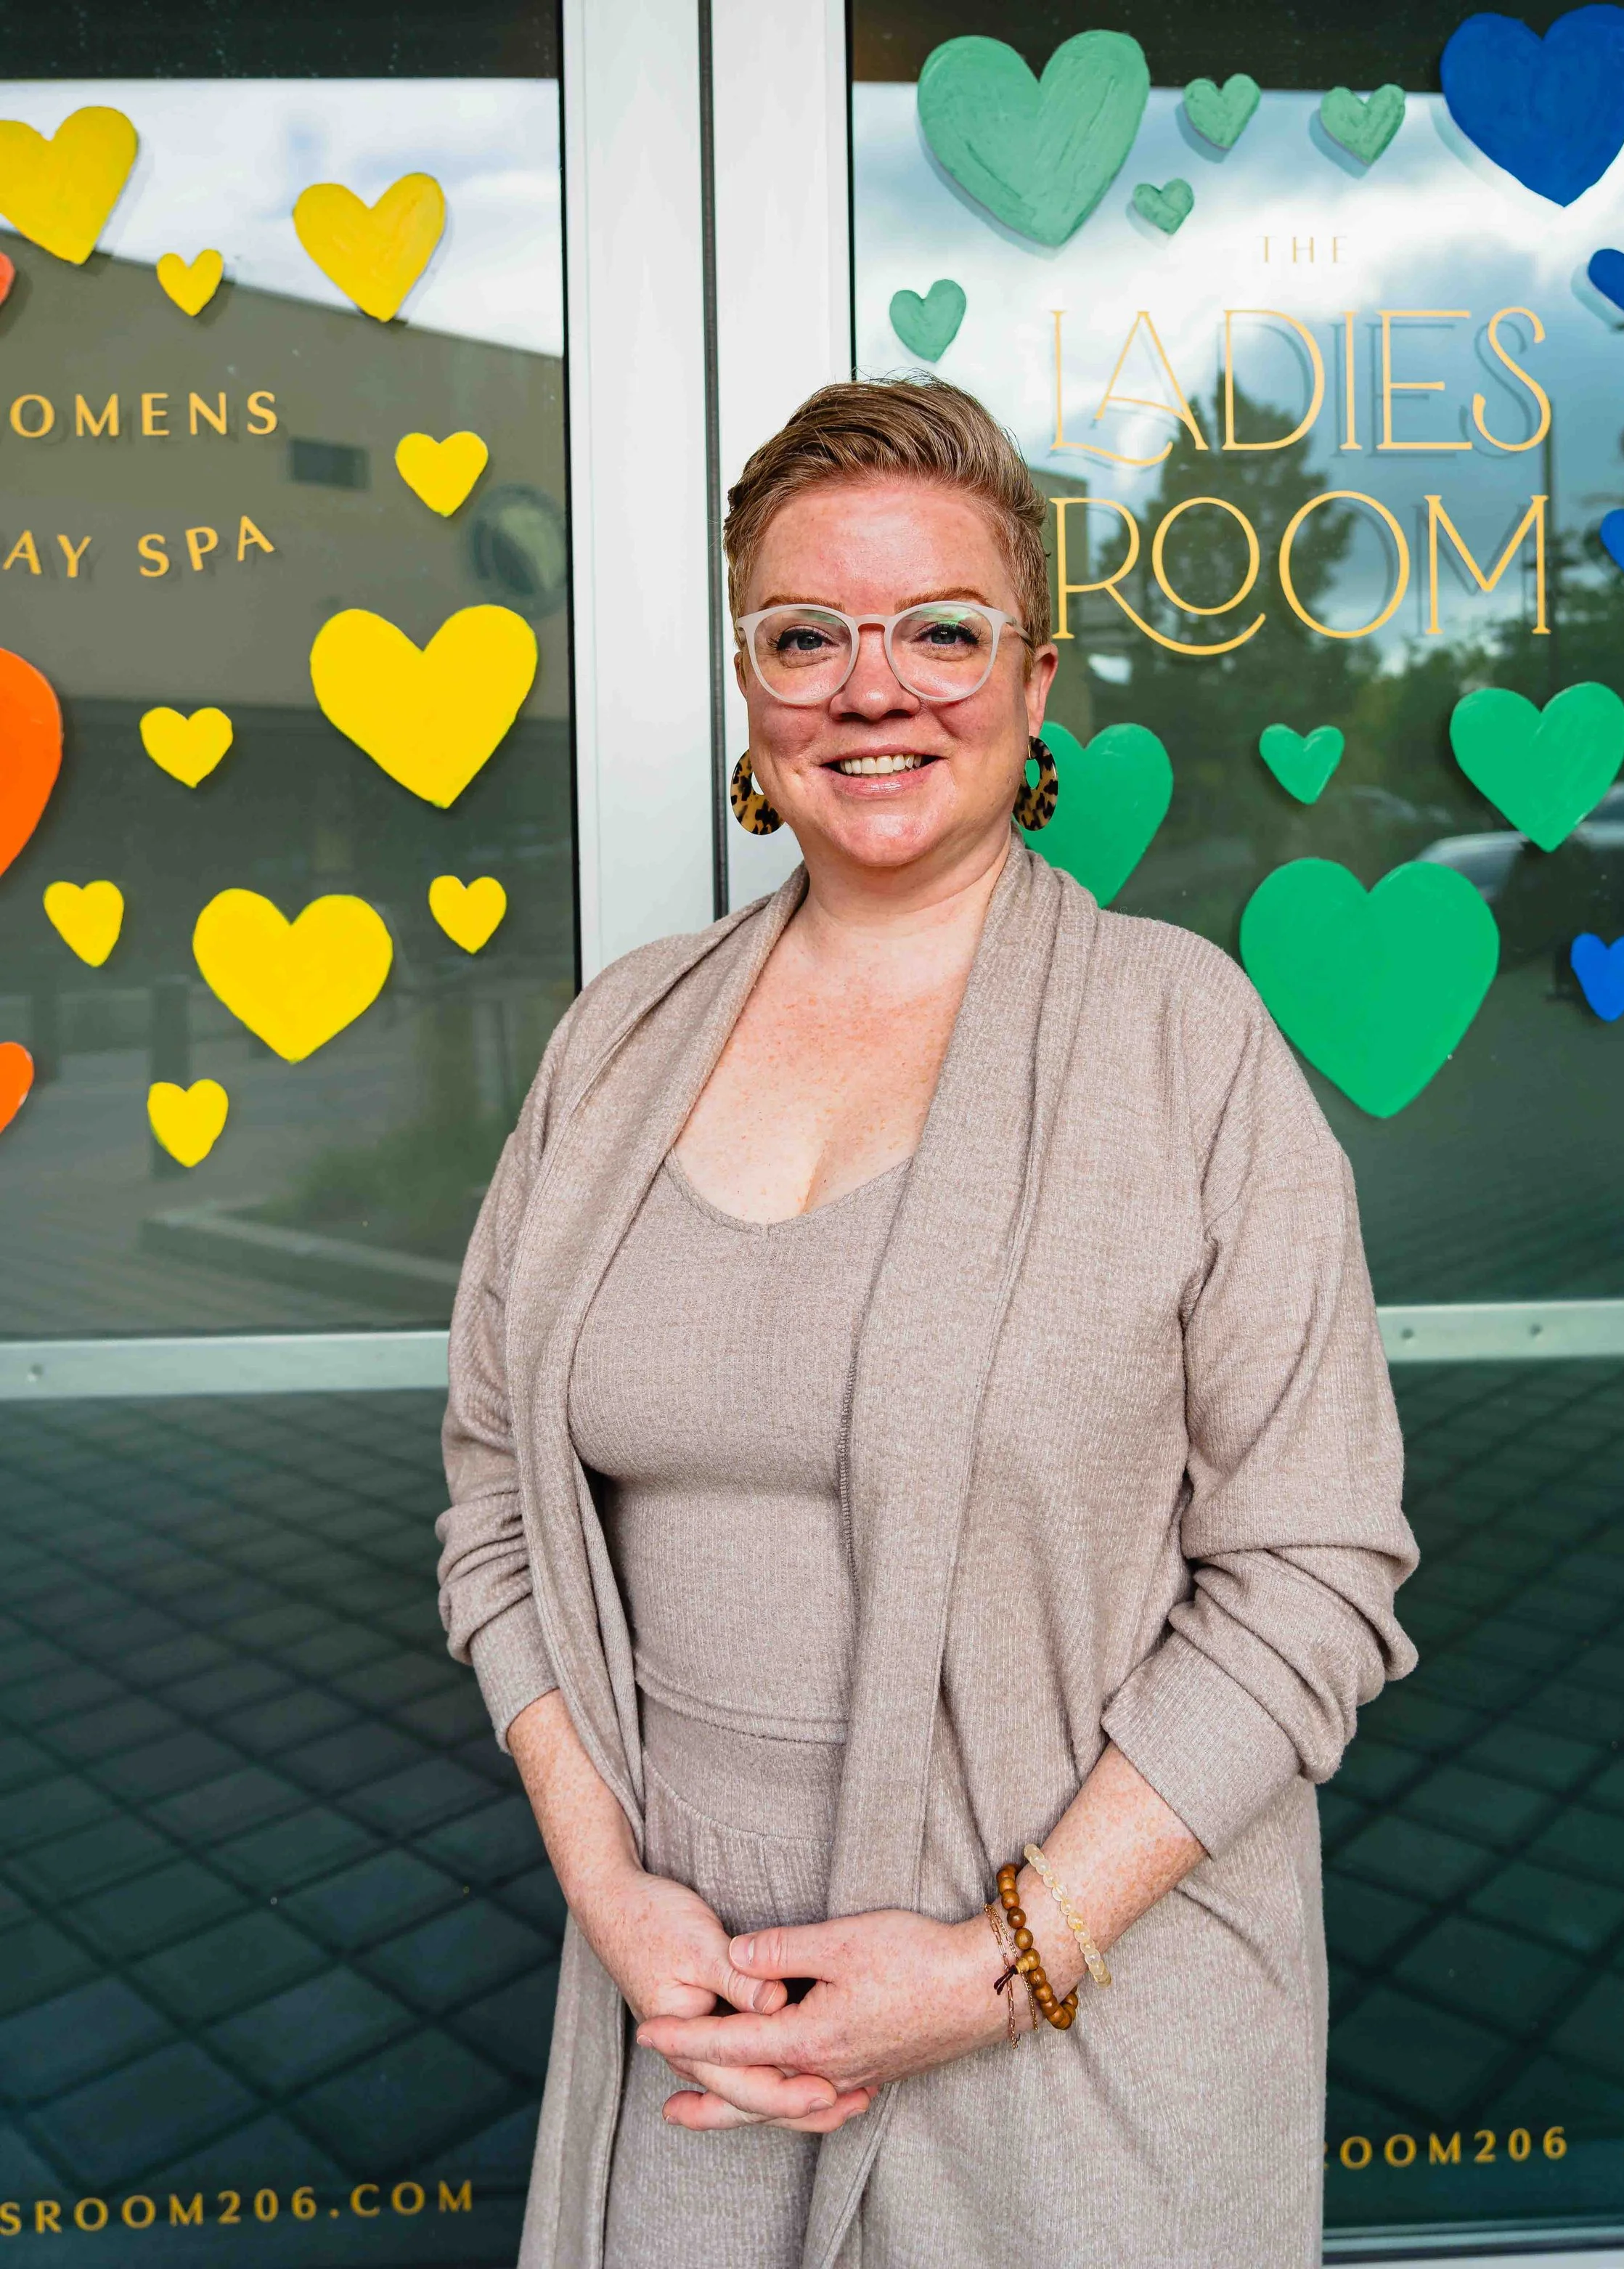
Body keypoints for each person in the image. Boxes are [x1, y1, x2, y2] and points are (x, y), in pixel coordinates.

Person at [436, 375, 1417, 2269]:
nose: (870, 687)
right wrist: (611, 1890)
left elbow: (1309, 1567)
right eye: (805, 633)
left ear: (1035, 682)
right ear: (748, 685)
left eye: (940, 631)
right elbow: (498, 1510)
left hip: (1076, 2032)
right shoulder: (617, 1043)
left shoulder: (1174, 1040)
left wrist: (995, 1963)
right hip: (693, 2026)